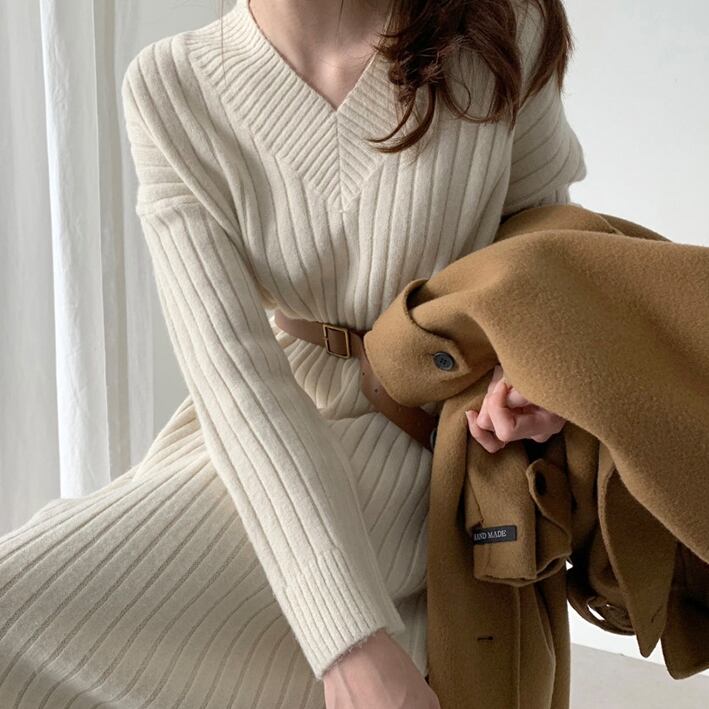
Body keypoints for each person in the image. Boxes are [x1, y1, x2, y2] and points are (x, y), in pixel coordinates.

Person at [0, 0, 585, 707]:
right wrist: (351, 644)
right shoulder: (172, 85)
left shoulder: (495, 24)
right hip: (266, 444)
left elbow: (547, 261)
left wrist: (532, 376)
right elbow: (234, 377)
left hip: (443, 446)